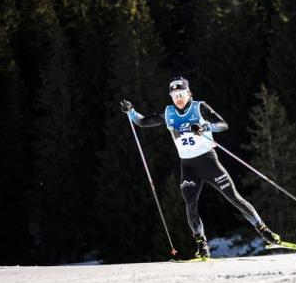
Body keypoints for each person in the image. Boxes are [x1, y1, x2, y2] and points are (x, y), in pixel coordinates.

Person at [120, 76, 281, 259]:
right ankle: (202, 246)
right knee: (191, 205)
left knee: (234, 198)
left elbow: (223, 125)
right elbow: (142, 122)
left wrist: (205, 127)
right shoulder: (168, 113)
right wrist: (131, 111)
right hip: (188, 166)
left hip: (208, 162)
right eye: (174, 95)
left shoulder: (200, 107)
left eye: (181, 94)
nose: (178, 98)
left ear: (189, 93)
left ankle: (264, 230)